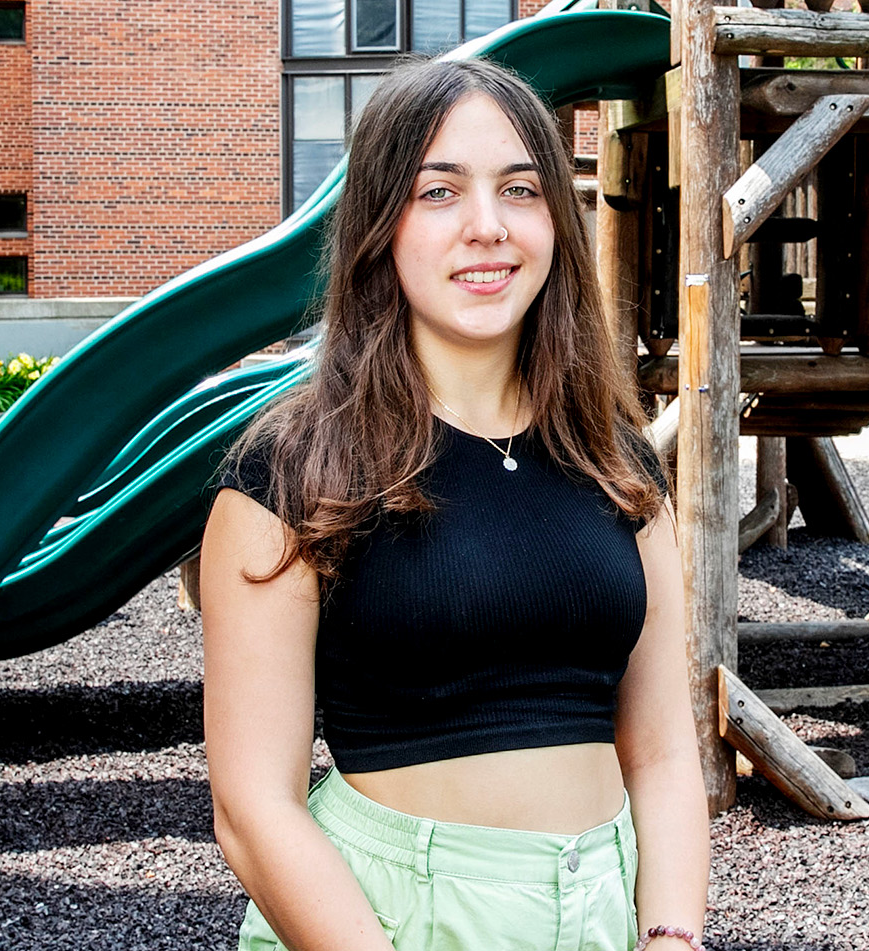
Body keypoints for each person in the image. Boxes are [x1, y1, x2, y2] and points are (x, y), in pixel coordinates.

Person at [197, 57, 709, 951]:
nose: (488, 227)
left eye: (521, 189)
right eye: (439, 192)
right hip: (389, 922)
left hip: (604, 914)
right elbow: (251, 808)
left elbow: (664, 756)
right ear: (379, 225)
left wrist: (670, 936)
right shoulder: (293, 472)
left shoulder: (618, 463)